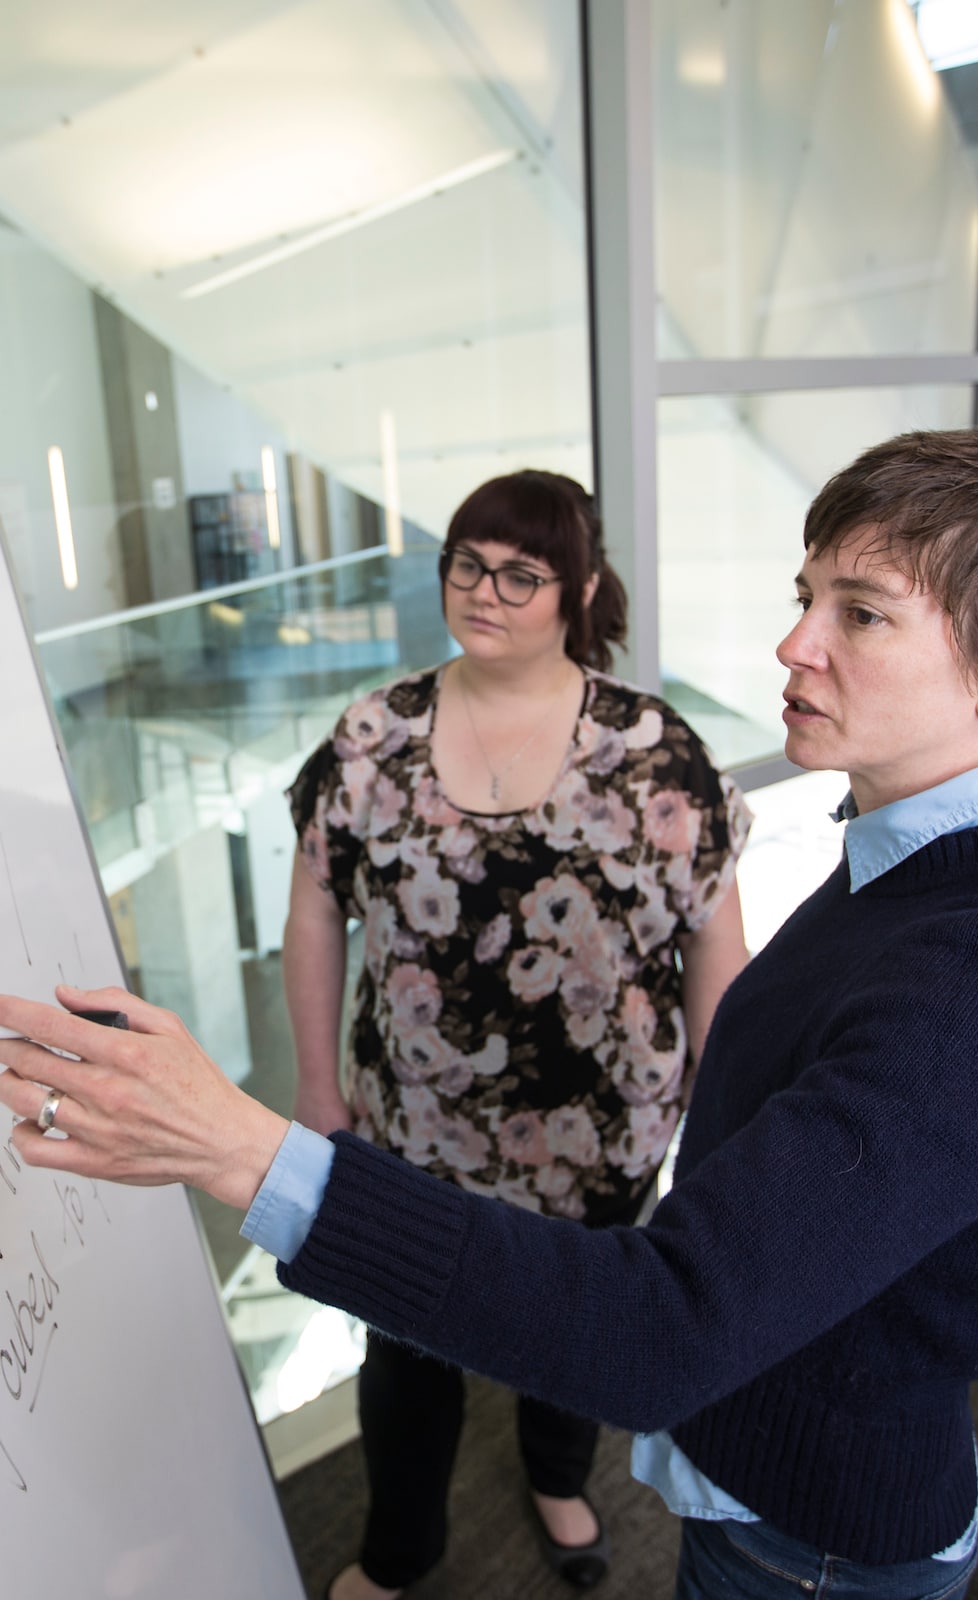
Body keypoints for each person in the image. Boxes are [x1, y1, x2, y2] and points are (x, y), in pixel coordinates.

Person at [0, 429, 978, 1600]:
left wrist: (238, 1146)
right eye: (806, 599)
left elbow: (658, 1331)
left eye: (864, 614)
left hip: (813, 1544)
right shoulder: (912, 863)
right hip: (760, 1476)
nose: (794, 645)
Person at [280, 470, 749, 1596]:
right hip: (411, 1126)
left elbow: (716, 948)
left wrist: (721, 1116)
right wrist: (317, 1088)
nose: (484, 592)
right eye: (466, 564)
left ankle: (558, 1479)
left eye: (520, 574)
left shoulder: (655, 751)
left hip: (599, 1137)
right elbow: (312, 910)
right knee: (402, 1351)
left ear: (578, 590)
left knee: (577, 1333)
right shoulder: (372, 737)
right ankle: (400, 1549)